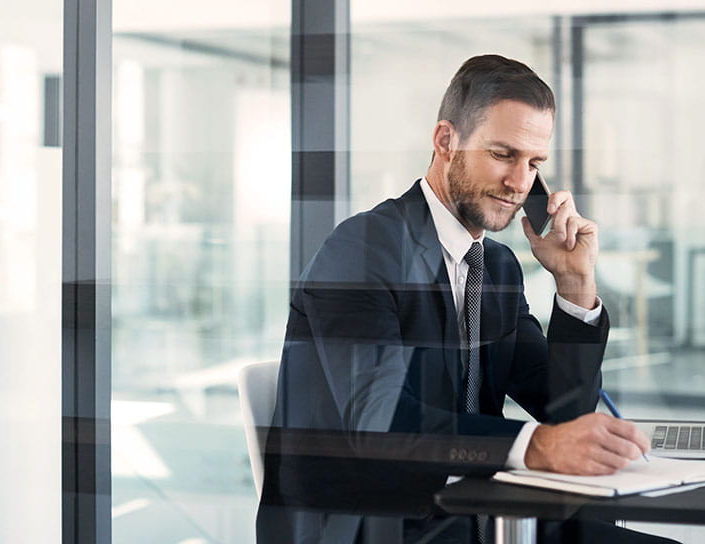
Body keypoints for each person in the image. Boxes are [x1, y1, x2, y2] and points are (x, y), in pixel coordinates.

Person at [257, 54, 672, 543]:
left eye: (534, 163)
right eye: (503, 154)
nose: (520, 183)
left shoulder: (496, 267)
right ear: (446, 141)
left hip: (480, 513)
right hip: (380, 525)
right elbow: (381, 423)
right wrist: (538, 445)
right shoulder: (362, 250)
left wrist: (575, 285)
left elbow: (563, 412)